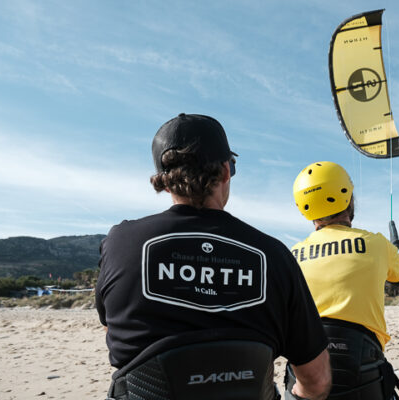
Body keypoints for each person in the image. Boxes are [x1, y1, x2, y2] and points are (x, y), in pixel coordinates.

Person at [96, 114, 331, 400]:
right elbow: (316, 380)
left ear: (164, 182)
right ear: (225, 171)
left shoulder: (122, 243)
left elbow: (112, 325)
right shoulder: (274, 255)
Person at [285, 161, 399, 400]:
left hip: (305, 375)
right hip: (363, 369)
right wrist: (391, 253)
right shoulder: (376, 243)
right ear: (348, 199)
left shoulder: (293, 254)